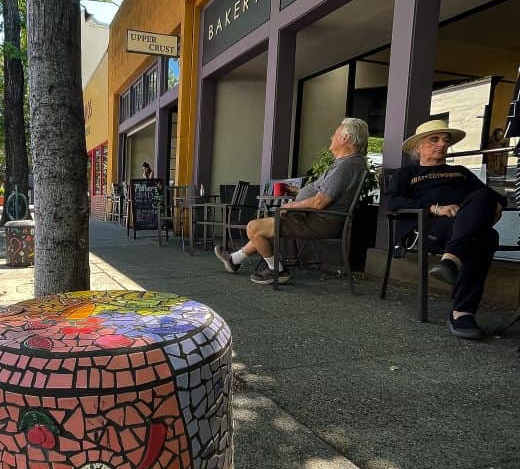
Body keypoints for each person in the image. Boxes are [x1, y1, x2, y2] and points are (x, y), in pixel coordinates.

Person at [383, 118, 505, 340]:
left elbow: (493, 197)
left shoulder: (460, 171)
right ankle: (462, 312)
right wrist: (434, 208)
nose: (442, 144)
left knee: (484, 199)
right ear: (418, 146)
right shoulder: (407, 174)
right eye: (434, 139)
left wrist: (497, 205)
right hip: (428, 228)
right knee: (487, 237)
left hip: (462, 229)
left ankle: (450, 262)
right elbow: (391, 202)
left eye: (445, 140)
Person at [214, 117, 369, 285]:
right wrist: (299, 193)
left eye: (335, 134)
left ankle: (277, 270)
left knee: (254, 227)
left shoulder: (346, 166)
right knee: (264, 228)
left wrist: (291, 205)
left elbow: (319, 202)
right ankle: (234, 259)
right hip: (312, 217)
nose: (331, 137)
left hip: (318, 220)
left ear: (345, 138)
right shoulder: (350, 164)